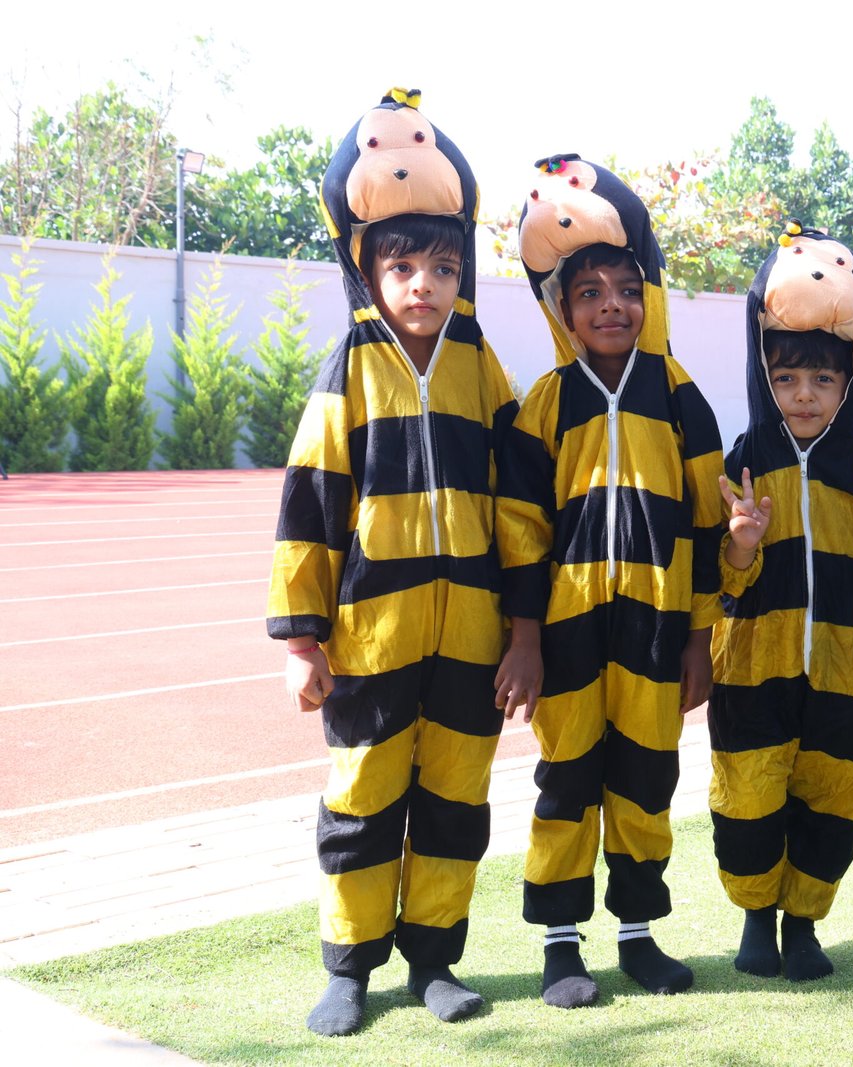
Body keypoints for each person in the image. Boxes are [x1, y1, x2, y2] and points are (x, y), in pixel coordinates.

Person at [268, 88, 517, 1038]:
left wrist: (524, 630)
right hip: (371, 638)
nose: (423, 285)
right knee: (364, 801)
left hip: (471, 641)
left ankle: (435, 959)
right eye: (401, 266)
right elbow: (308, 510)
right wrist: (302, 641)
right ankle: (350, 966)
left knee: (454, 799)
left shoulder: (481, 369)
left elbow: (518, 510)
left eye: (443, 267)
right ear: (366, 268)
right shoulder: (349, 369)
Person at [495, 154, 724, 1009]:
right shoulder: (545, 404)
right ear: (561, 309)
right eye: (588, 293)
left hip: (657, 628)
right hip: (567, 631)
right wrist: (525, 639)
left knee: (645, 778)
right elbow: (520, 532)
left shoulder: (682, 399)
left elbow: (706, 525)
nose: (610, 306)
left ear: (649, 296)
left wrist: (699, 636)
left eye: (627, 289)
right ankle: (560, 940)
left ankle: (637, 932)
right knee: (568, 780)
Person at [708, 221, 853, 982]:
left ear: (849, 383)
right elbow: (719, 579)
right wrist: (742, 546)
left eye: (822, 380)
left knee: (833, 796)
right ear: (763, 378)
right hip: (752, 665)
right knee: (750, 796)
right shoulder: (744, 462)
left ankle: (804, 920)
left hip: (842, 671)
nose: (804, 395)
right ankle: (756, 916)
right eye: (785, 379)